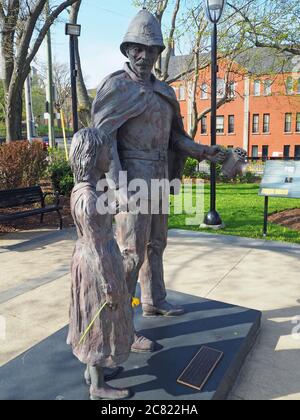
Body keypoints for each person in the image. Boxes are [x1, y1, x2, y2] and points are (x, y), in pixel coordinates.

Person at [92, 9, 226, 353]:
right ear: (127, 49)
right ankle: (122, 325)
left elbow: (174, 140)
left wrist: (201, 151)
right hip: (129, 183)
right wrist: (118, 186)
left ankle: (155, 299)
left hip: (159, 180)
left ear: (158, 53)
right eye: (137, 48)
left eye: (150, 49)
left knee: (156, 245)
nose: (143, 55)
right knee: (130, 254)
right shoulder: (116, 87)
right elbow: (103, 138)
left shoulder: (165, 92)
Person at [67, 128, 134, 400]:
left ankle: (94, 371)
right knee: (99, 318)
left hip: (93, 258)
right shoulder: (88, 198)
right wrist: (109, 283)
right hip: (98, 265)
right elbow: (96, 247)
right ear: (93, 156)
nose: (110, 156)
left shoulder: (87, 192)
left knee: (93, 317)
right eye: (107, 151)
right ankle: (97, 386)